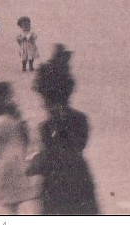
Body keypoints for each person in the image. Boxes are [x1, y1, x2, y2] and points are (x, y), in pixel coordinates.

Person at [27, 45, 99, 215]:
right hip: (81, 180)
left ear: (47, 98)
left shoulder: (47, 126)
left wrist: (33, 164)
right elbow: (78, 147)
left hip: (57, 187)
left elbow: (51, 157)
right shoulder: (81, 119)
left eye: (44, 99)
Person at [0, 82, 35, 214]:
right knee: (12, 208)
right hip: (18, 166)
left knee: (1, 209)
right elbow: (26, 143)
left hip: (3, 170)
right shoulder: (18, 119)